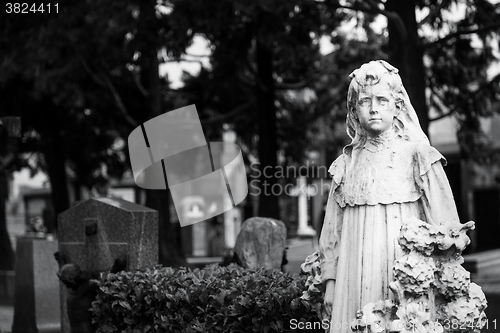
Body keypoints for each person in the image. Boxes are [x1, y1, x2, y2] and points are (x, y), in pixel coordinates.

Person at [319, 60, 463, 332]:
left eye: (382, 100)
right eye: (365, 101)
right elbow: (332, 231)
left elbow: (446, 226)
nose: (374, 108)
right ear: (354, 109)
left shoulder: (417, 156)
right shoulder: (345, 164)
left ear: (397, 106)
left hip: (402, 276)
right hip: (353, 276)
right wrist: (330, 282)